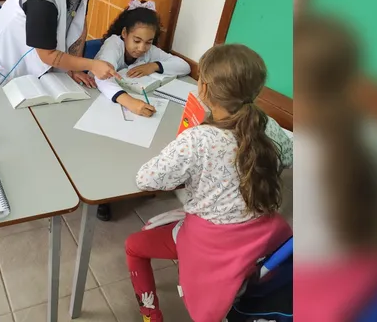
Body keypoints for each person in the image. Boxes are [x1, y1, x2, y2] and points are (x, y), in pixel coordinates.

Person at [124, 44, 294, 322]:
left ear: (203, 88)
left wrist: (189, 143)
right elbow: (287, 157)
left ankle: (150, 316)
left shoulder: (199, 140)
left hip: (215, 244)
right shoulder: (268, 124)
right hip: (264, 237)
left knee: (134, 244)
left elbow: (146, 179)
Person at [92, 0, 191, 222]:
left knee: (141, 139)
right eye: (136, 40)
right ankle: (103, 198)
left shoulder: (149, 52)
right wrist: (129, 102)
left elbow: (183, 66)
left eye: (148, 42)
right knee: (109, 146)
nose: (141, 48)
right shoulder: (113, 45)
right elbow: (102, 76)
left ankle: (138, 181)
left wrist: (154, 65)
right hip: (104, 100)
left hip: (132, 103)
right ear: (124, 33)